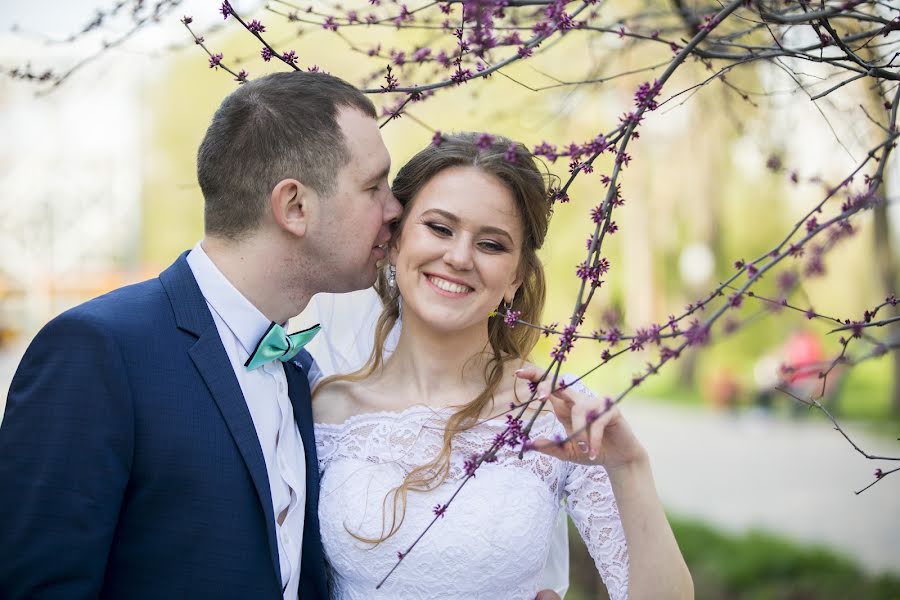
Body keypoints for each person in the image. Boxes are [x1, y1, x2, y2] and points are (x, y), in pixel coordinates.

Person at [0, 71, 401, 599]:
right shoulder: (99, 351)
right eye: (374, 187)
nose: (394, 209)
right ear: (295, 207)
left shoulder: (298, 369)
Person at [312, 133, 693, 599]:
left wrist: (629, 467)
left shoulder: (557, 413)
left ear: (515, 276)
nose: (458, 257)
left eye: (491, 244)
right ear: (394, 241)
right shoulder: (323, 411)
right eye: (439, 228)